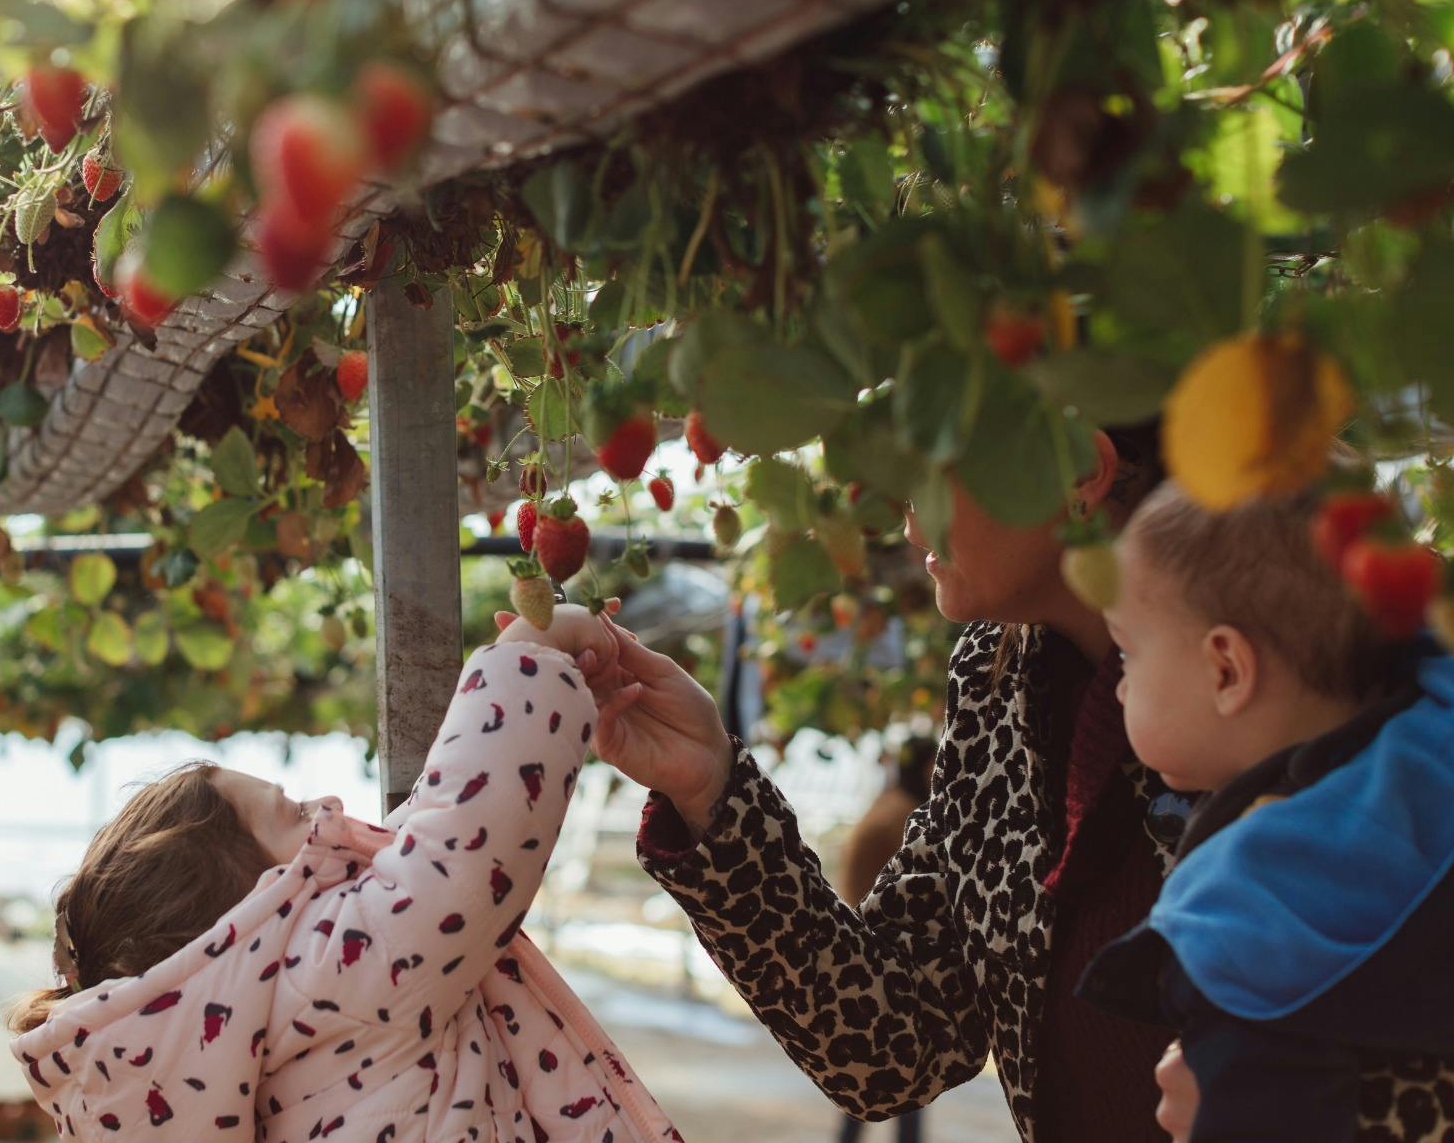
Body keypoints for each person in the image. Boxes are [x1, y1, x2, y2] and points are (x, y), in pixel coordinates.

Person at [553, 421, 1454, 1143]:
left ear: (1079, 471)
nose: (910, 524)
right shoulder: (1000, 682)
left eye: (932, 473)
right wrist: (710, 788)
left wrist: (1297, 1108)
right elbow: (891, 1042)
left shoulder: (1357, 695)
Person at [8, 606, 683, 1143]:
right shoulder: (329, 968)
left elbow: (410, 854)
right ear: (251, 913)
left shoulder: (248, 1025)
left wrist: (563, 691)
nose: (328, 806)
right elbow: (462, 845)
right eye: (294, 813)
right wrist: (533, 651)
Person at [1075, 483, 1454, 1140]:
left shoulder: (1256, 905)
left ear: (1226, 669)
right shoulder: (1431, 750)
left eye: (1129, 653)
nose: (1121, 688)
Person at [832, 738, 936, 1143]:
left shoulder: (889, 806)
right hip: (888, 965)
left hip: (872, 960)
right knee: (901, 1075)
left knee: (876, 1076)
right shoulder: (904, 819)